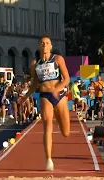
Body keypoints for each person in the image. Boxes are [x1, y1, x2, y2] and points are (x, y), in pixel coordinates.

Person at [18, 35, 70, 171]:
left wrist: (57, 89)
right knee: (47, 125)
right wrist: (25, 97)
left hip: (59, 95)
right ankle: (48, 159)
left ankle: (59, 118)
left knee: (66, 132)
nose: (44, 45)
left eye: (47, 43)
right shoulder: (35, 63)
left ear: (51, 46)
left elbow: (66, 79)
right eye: (42, 43)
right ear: (39, 46)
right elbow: (34, 83)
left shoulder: (58, 59)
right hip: (45, 95)